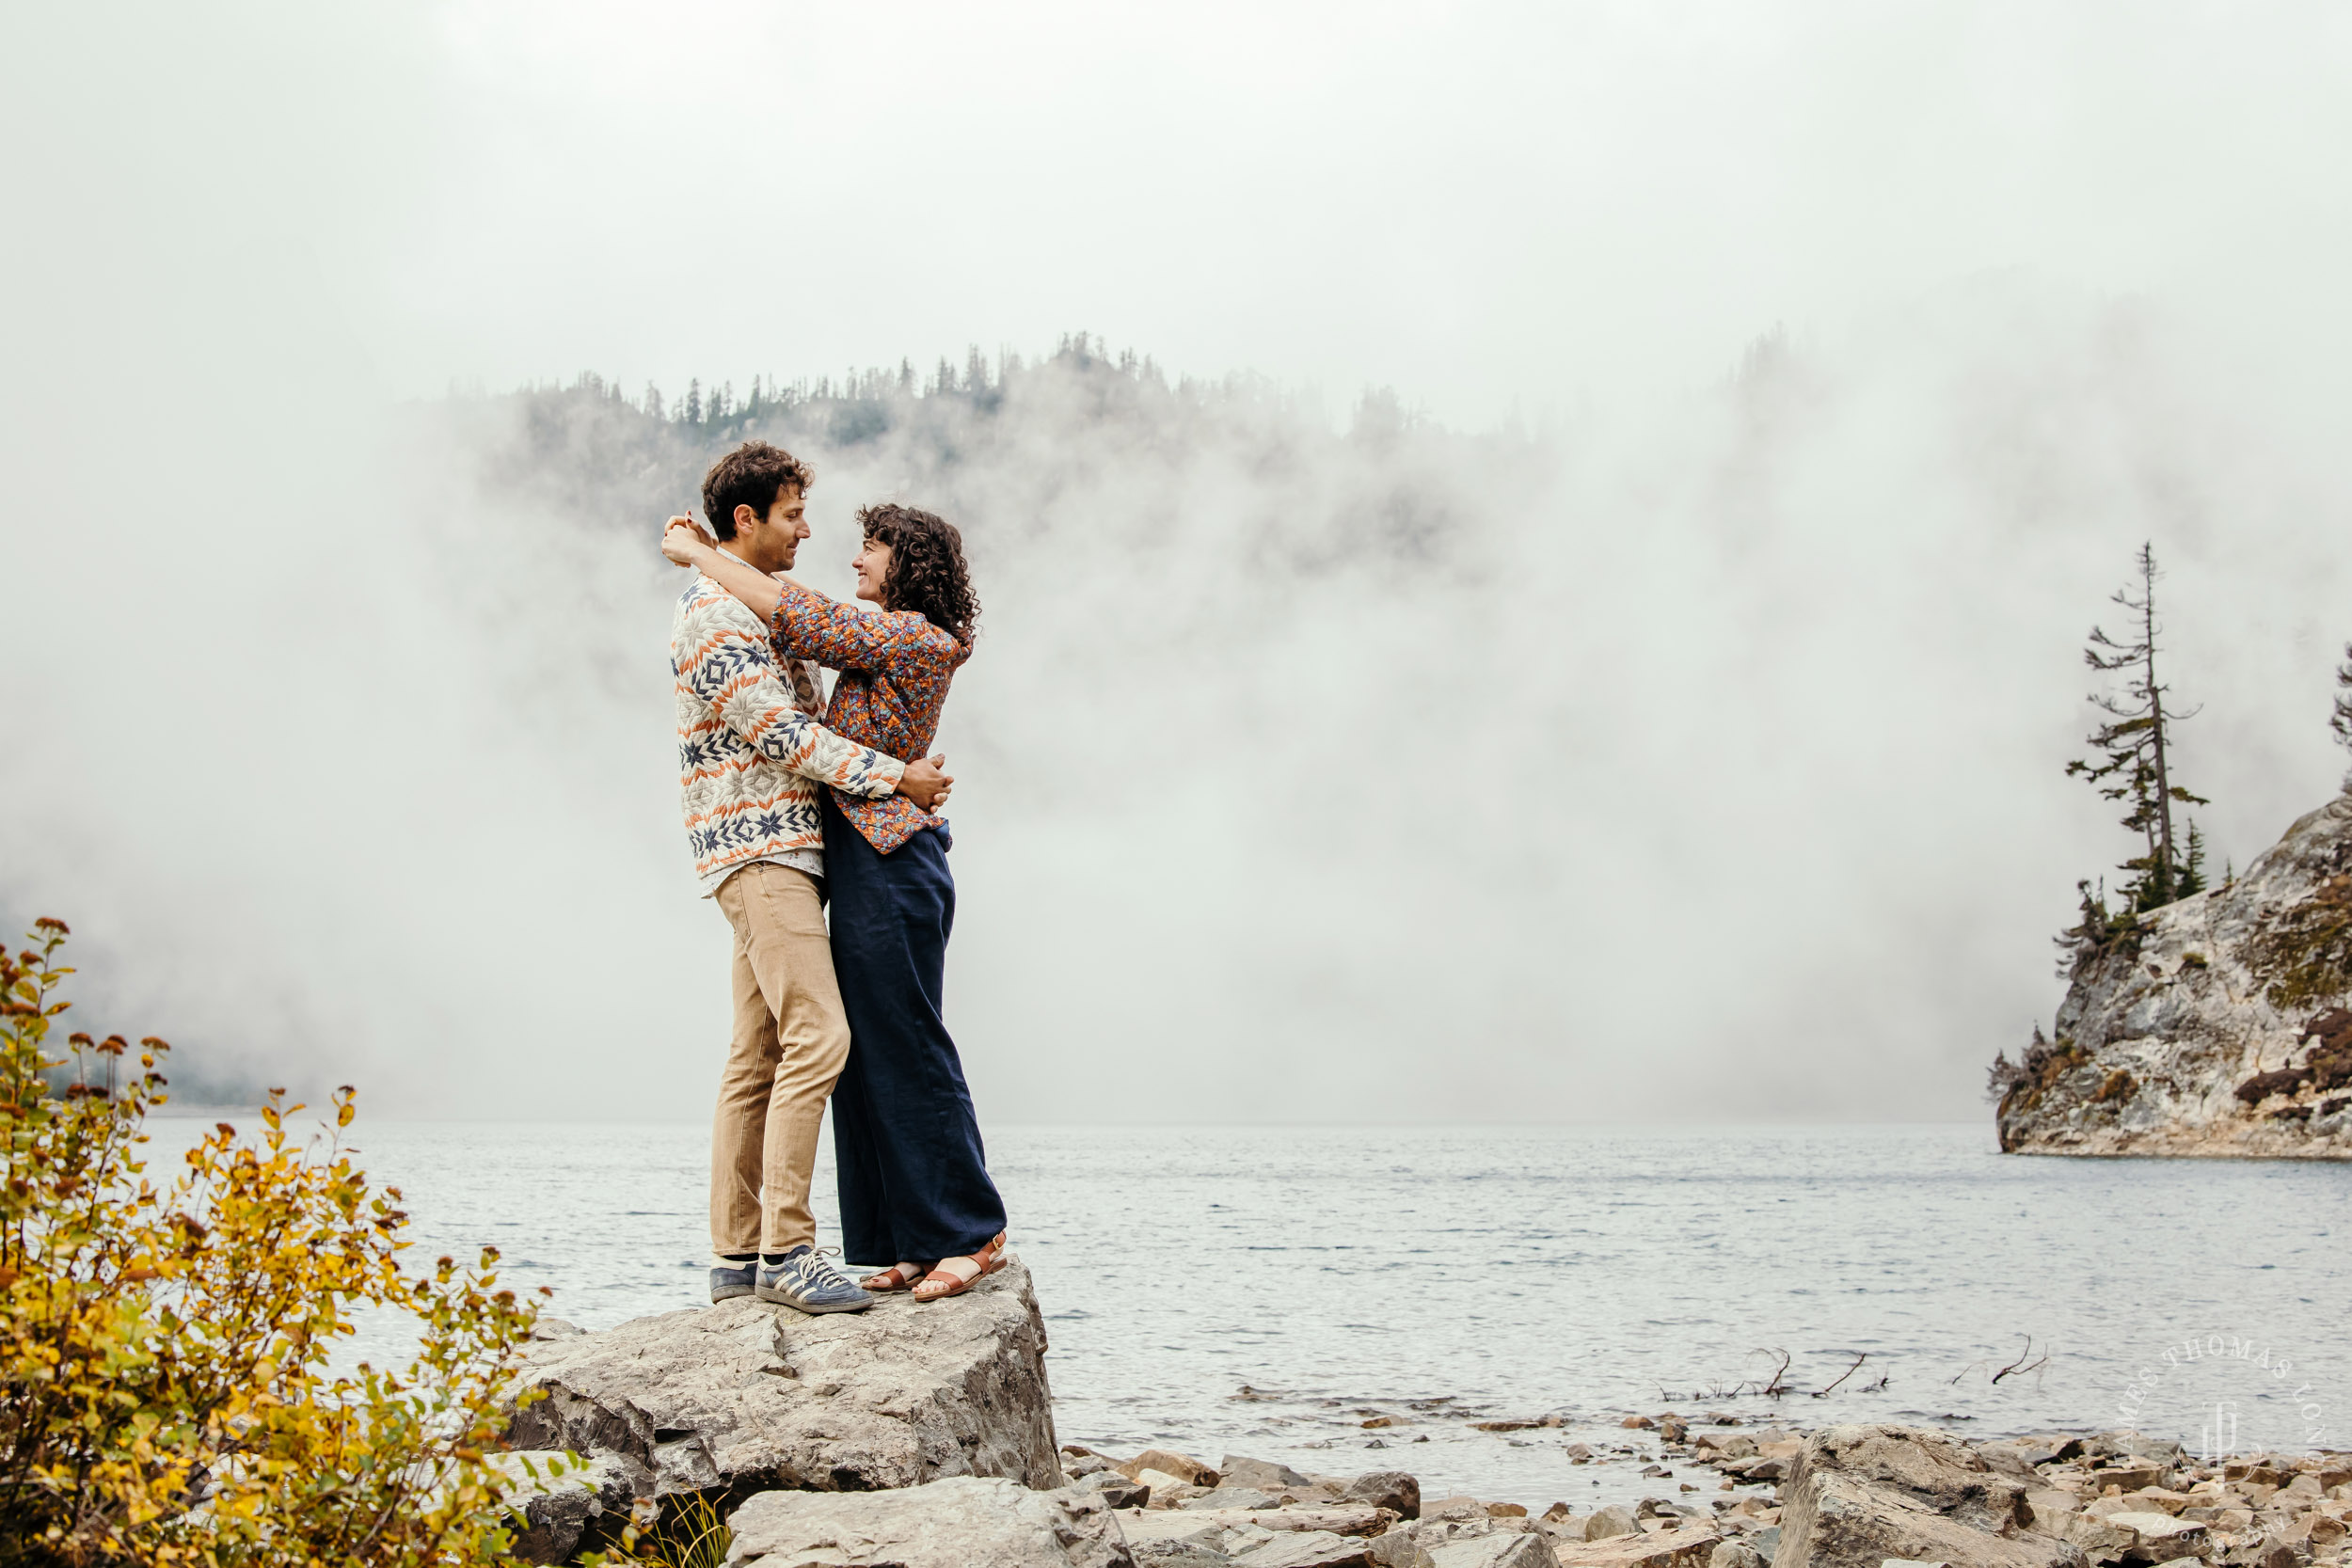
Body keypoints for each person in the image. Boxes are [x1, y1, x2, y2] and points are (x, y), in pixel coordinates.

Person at [664, 495, 1010, 1304]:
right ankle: (912, 1238)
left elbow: (798, 615)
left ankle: (970, 1231)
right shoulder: (877, 642)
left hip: (894, 859)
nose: (855, 558)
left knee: (909, 1043)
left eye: (872, 548)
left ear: (908, 562)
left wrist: (697, 553)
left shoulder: (921, 636)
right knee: (865, 1056)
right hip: (853, 861)